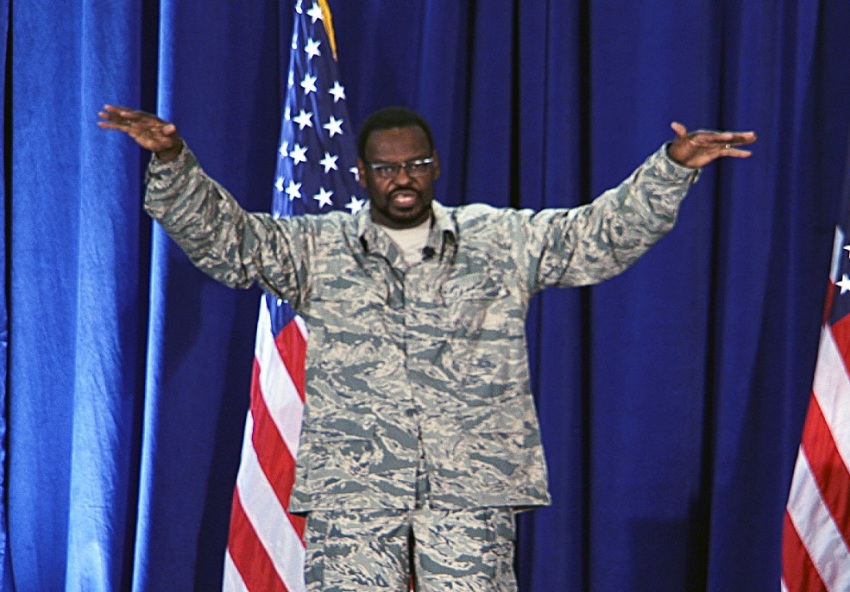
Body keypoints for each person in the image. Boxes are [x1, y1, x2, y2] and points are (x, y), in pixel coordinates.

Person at [99, 104, 756, 591]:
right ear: (362, 174)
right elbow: (232, 246)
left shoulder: (497, 240)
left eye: (414, 163)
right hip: (356, 497)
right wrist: (172, 162)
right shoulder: (317, 249)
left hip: (467, 497)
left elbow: (595, 237)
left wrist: (669, 171)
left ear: (435, 166)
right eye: (386, 167)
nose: (402, 178)